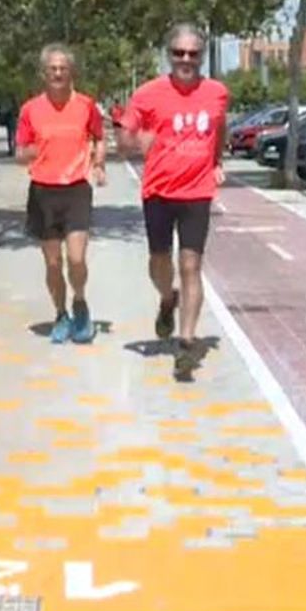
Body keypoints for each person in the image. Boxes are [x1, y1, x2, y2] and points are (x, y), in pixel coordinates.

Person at [117, 23, 230, 381]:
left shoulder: (216, 93)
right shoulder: (148, 93)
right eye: (179, 53)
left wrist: (217, 162)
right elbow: (124, 138)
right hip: (158, 191)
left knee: (191, 264)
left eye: (193, 54)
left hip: (197, 192)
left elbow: (219, 127)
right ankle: (168, 298)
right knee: (160, 262)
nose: (186, 59)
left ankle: (186, 344)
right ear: (169, 55)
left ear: (202, 56)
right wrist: (136, 142)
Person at [16, 44, 106, 345]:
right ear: (44, 73)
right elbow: (20, 152)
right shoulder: (30, 109)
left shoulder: (85, 105)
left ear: (71, 72)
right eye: (52, 69)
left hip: (77, 189)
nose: (57, 73)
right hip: (43, 191)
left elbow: (99, 137)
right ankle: (60, 315)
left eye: (62, 68)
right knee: (53, 263)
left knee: (77, 259)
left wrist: (99, 164)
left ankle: (80, 304)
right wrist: (34, 150)